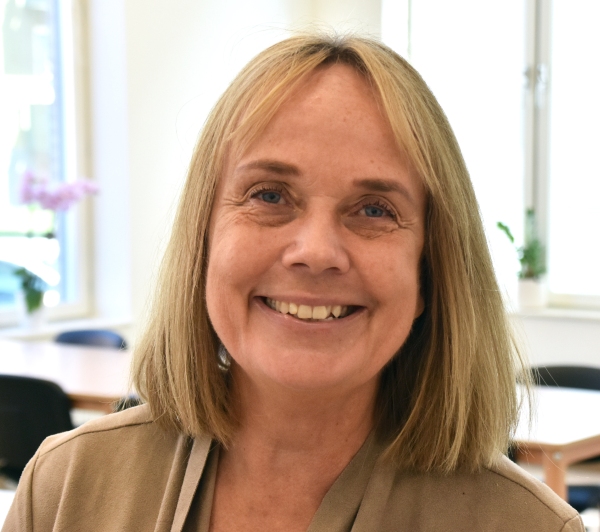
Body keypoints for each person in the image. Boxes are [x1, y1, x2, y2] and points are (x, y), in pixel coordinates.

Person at [3, 34, 583, 531]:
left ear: (430, 270)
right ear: (203, 240)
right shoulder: (66, 488)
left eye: (375, 209)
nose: (316, 252)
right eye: (269, 195)